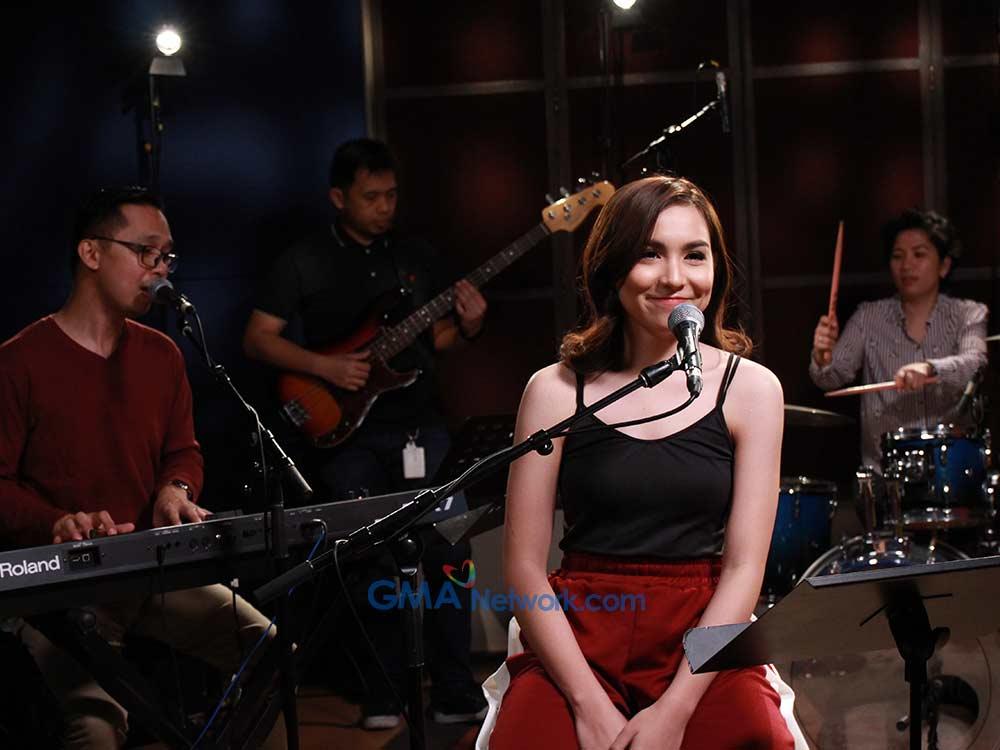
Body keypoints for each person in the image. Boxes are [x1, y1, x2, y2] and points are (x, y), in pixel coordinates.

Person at [482, 176, 801, 749]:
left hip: (701, 638)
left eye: (695, 255)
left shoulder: (752, 389)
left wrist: (675, 710)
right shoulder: (555, 390)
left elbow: (743, 569)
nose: (675, 277)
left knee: (754, 738)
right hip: (579, 634)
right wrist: (588, 706)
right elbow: (525, 569)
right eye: (650, 253)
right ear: (611, 267)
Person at [0, 187, 285, 749]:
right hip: (64, 585)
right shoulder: (18, 361)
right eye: (146, 252)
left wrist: (176, 490)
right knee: (94, 726)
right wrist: (56, 521)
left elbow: (183, 451)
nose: (160, 269)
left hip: (150, 568)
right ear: (91, 253)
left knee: (273, 654)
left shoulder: (162, 354)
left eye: (167, 257)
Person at [243, 138, 489, 728]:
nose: (385, 207)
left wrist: (471, 325)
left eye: (392, 195)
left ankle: (455, 690)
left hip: (422, 428)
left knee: (451, 549)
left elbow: (437, 343)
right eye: (371, 196)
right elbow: (257, 339)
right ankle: (384, 693)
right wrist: (325, 367)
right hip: (348, 434)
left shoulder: (416, 256)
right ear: (338, 197)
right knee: (368, 561)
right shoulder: (304, 260)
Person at [810, 209, 987, 468]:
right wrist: (823, 357)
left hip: (952, 469)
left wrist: (929, 368)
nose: (906, 265)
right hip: (885, 472)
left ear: (944, 265)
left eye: (919, 254)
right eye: (898, 256)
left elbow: (976, 364)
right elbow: (830, 380)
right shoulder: (868, 317)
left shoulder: (968, 313)